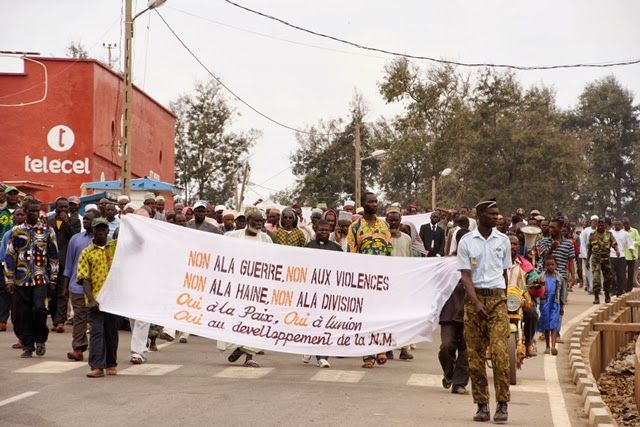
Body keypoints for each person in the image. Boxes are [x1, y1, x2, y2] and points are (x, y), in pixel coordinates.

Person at [457, 199, 511, 423]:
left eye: (497, 214)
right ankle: (481, 405)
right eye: (491, 214)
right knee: (475, 357)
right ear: (479, 216)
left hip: (497, 300)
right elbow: (465, 275)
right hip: (474, 301)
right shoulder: (467, 242)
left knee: (500, 354)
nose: (496, 217)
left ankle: (503, 404)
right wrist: (476, 303)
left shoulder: (503, 240)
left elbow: (505, 272)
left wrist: (504, 299)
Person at [4, 199, 59, 358]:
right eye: (31, 211)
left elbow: (54, 256)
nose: (35, 213)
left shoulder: (47, 230)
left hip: (40, 278)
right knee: (22, 313)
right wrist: (9, 279)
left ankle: (40, 339)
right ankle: (27, 345)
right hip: (21, 279)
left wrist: (53, 278)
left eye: (37, 210)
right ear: (25, 211)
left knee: (39, 309)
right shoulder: (16, 231)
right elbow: (10, 255)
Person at [347, 192, 393, 368]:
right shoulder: (355, 226)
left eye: (375, 201)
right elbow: (352, 253)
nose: (374, 204)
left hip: (382, 277)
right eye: (370, 202)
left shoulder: (384, 225)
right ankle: (368, 355)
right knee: (366, 316)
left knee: (381, 314)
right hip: (364, 278)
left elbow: (389, 250)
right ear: (363, 204)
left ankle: (381, 349)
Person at [225, 207, 271, 367]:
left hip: (257, 288)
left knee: (254, 321)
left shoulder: (265, 239)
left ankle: (249, 356)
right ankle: (239, 347)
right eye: (255, 221)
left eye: (261, 221)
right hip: (237, 286)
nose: (258, 224)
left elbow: (273, 260)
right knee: (237, 319)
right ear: (247, 220)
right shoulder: (232, 236)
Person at [77, 217, 119, 378]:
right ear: (92, 231)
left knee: (111, 333)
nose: (100, 231)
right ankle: (97, 366)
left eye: (103, 229)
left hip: (114, 300)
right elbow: (84, 278)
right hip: (95, 300)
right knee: (96, 333)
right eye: (97, 229)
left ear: (108, 230)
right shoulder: (87, 252)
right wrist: (91, 299)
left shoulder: (115, 247)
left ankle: (111, 364)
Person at [304, 219, 343, 368]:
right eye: (321, 230)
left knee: (326, 323)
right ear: (315, 230)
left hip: (329, 292)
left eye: (327, 230)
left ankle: (322, 356)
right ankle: (310, 348)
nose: (324, 232)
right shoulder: (308, 246)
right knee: (312, 322)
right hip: (312, 291)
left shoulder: (336, 248)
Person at [439, 228, 471, 395]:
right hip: (449, 312)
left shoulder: (477, 261)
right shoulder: (446, 263)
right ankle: (449, 373)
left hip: (470, 312)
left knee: (467, 350)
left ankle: (459, 383)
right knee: (446, 347)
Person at [64, 211, 96, 361]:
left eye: (89, 219)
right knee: (79, 317)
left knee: (95, 319)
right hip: (76, 286)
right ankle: (78, 348)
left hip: (97, 287)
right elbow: (69, 265)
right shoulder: (75, 239)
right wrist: (66, 287)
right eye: (85, 219)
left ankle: (97, 349)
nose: (85, 221)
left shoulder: (105, 239)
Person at [386, 206, 416, 360]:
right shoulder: (383, 237)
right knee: (387, 317)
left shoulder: (407, 239)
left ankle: (404, 349)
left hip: (403, 283)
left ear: (400, 221)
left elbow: (410, 260)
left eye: (396, 220)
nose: (393, 222)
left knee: (403, 317)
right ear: (386, 220)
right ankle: (387, 348)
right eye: (390, 220)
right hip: (387, 283)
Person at [507, 235, 539, 357]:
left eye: (515, 244)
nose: (512, 247)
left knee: (532, 313)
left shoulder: (525, 265)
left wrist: (536, 282)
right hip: (501, 298)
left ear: (519, 247)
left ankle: (529, 343)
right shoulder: (497, 263)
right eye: (510, 244)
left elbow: (533, 277)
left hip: (519, 299)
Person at [0, 207, 25, 342]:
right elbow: (3, 256)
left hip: (25, 275)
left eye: (22, 214)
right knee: (6, 297)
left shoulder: (32, 233)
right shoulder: (8, 234)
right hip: (10, 273)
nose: (20, 217)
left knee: (21, 306)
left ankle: (23, 337)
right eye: (17, 215)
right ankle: (3, 320)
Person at [534, 255, 565, 356]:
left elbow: (563, 292)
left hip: (555, 303)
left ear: (555, 265)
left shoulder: (559, 277)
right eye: (548, 265)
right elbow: (536, 288)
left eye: (552, 264)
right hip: (545, 303)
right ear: (545, 266)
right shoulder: (541, 277)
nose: (550, 267)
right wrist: (537, 284)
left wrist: (562, 305)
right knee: (547, 325)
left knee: (554, 324)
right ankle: (547, 346)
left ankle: (553, 346)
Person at [0, 186, 21, 332]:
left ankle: (17, 319)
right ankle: (2, 319)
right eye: (10, 194)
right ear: (5, 196)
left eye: (15, 194)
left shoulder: (22, 213)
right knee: (3, 288)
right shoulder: (2, 213)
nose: (12, 196)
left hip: (20, 256)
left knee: (17, 288)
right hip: (3, 254)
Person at [587, 218, 618, 304]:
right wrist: (587, 261)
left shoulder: (609, 234)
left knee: (608, 278)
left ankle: (607, 295)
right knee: (596, 279)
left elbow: (614, 243)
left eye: (602, 224)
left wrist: (617, 250)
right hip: (595, 260)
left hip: (606, 260)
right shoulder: (592, 235)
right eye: (599, 224)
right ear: (597, 225)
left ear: (605, 225)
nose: (600, 226)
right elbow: (589, 248)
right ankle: (596, 297)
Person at [610, 219, 635, 296]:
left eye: (619, 224)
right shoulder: (610, 232)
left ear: (621, 225)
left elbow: (630, 244)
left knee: (621, 275)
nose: (617, 226)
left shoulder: (625, 234)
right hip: (611, 256)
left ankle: (620, 291)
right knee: (611, 274)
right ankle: (613, 290)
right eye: (616, 224)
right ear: (614, 225)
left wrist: (632, 253)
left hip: (621, 257)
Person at [580, 215, 598, 294]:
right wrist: (585, 256)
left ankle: (597, 288)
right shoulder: (586, 231)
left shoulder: (599, 230)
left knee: (597, 271)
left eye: (596, 221)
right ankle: (590, 288)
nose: (595, 222)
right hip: (588, 254)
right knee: (589, 272)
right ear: (591, 222)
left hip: (597, 254)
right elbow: (583, 244)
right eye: (594, 221)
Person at [623, 218, 640, 292]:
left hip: (632, 256)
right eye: (624, 224)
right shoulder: (622, 232)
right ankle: (624, 287)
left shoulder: (634, 231)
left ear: (629, 223)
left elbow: (638, 242)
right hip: (623, 255)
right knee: (622, 272)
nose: (626, 225)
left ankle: (629, 288)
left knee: (630, 272)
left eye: (627, 223)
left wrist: (631, 243)